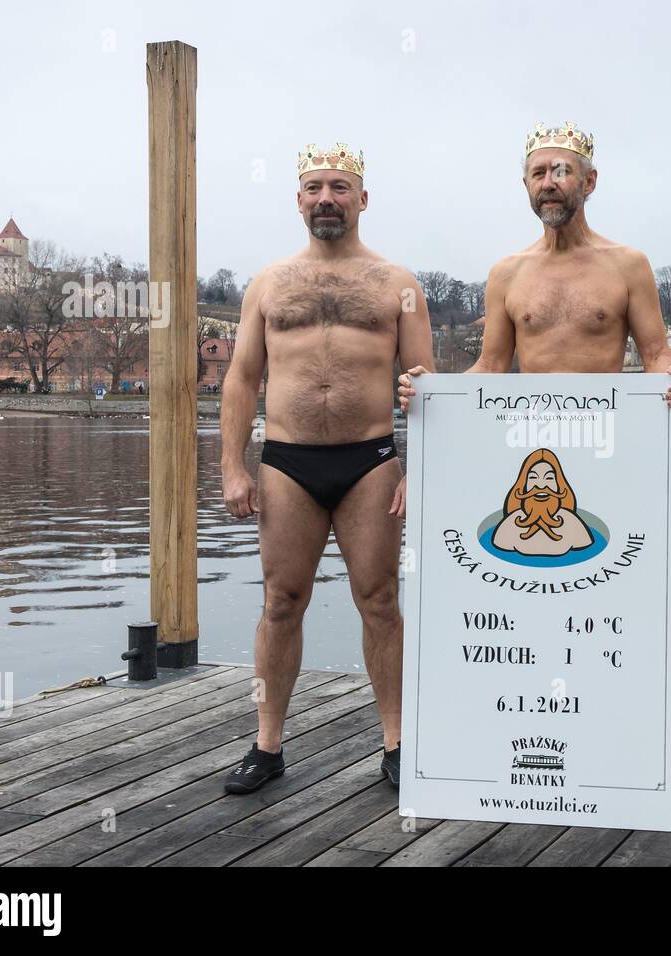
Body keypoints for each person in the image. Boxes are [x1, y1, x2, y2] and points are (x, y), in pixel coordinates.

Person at [220, 142, 435, 794]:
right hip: (286, 461)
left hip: (370, 459)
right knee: (281, 601)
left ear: (362, 198)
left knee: (380, 600)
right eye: (314, 187)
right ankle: (267, 744)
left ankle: (396, 740)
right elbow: (242, 378)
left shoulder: (397, 284)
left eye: (339, 187)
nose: (326, 199)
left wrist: (420, 469)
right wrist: (233, 466)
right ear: (298, 199)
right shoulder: (269, 283)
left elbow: (424, 381)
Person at [398, 122, 671, 419]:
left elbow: (655, 354)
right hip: (532, 432)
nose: (548, 183)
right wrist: (432, 394)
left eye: (561, 171)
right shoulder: (506, 274)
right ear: (527, 185)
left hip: (606, 430)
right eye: (538, 174)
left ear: (589, 182)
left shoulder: (628, 265)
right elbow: (491, 365)